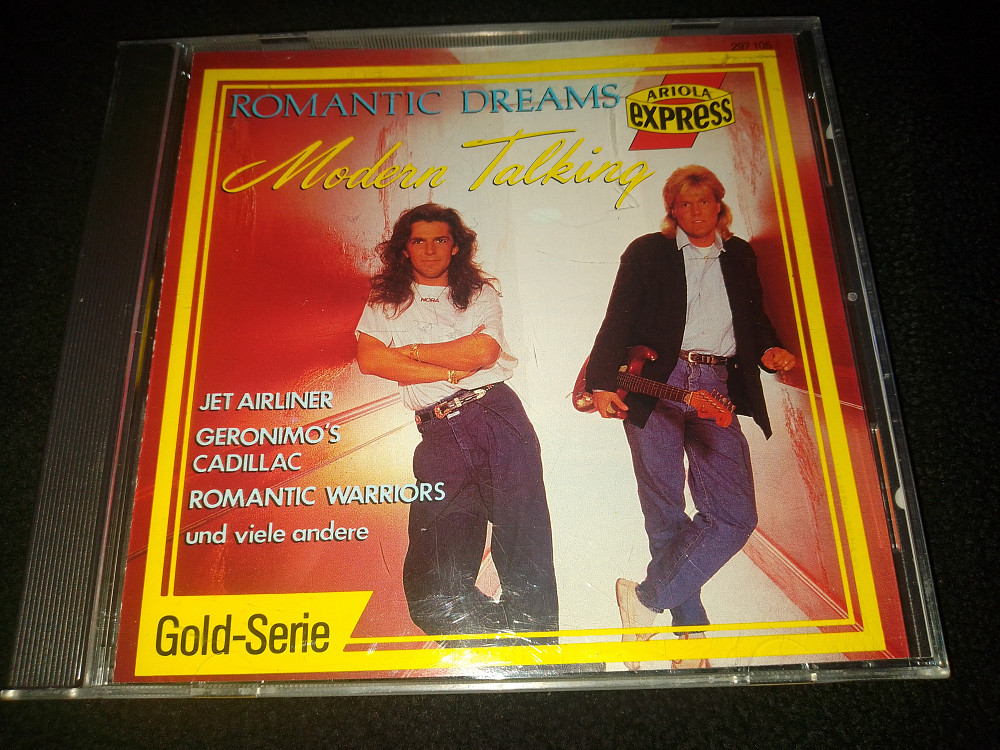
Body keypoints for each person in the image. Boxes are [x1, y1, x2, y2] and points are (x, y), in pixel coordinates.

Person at [585, 165, 795, 670]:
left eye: (704, 202)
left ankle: (645, 598)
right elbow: (618, 317)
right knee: (665, 511)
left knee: (734, 516)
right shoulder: (647, 252)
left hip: (714, 386)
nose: (695, 212)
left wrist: (770, 349)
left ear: (719, 206)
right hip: (655, 385)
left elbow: (755, 317)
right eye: (684, 204)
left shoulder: (740, 254)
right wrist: (600, 382)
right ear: (672, 210)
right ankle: (690, 638)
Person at [355, 202, 559, 645]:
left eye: (440, 240)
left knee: (524, 548)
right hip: (438, 435)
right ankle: (511, 642)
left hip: (496, 417)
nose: (430, 250)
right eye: (419, 240)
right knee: (433, 592)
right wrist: (449, 368)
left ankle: (543, 656)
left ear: (455, 246)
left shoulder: (479, 293)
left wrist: (408, 352)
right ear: (404, 249)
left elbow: (482, 353)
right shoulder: (387, 301)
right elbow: (370, 360)